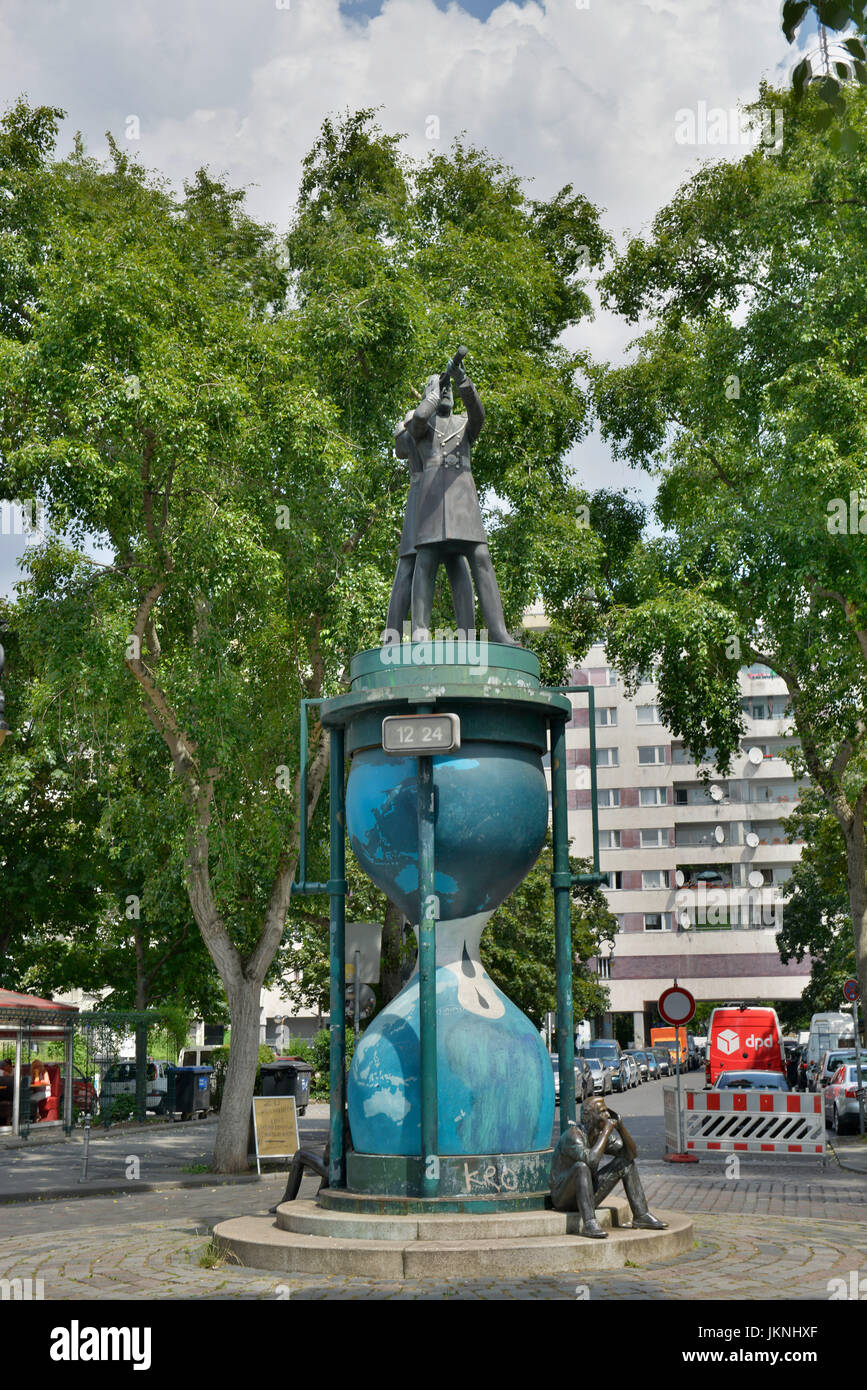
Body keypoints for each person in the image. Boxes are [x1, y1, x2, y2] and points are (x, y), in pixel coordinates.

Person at [402, 349, 518, 646]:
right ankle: (420, 632)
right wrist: (432, 392)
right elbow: (418, 418)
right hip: (431, 502)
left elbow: (479, 414)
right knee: (426, 560)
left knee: (481, 557)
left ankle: (498, 632)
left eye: (448, 390)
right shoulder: (421, 429)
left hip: (464, 502)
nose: (446, 394)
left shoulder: (465, 424)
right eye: (441, 390)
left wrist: (461, 380)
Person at [550, 1096, 668, 1237]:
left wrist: (621, 1128)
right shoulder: (573, 1135)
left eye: (607, 1111)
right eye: (602, 1112)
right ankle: (589, 1223)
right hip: (564, 1199)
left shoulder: (599, 1135)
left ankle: (641, 1215)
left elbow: (631, 1154)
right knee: (581, 1167)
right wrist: (606, 1131)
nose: (607, 1115)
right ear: (588, 1116)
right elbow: (591, 1161)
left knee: (625, 1162)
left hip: (587, 1194)